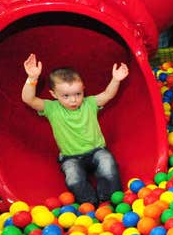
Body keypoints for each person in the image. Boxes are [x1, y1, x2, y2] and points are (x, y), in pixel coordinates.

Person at [21, 53, 128, 205]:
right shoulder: (52, 108)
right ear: (54, 94)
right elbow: (28, 99)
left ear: (84, 89)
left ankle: (109, 200)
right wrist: (32, 79)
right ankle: (89, 203)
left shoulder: (89, 103)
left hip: (97, 150)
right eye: (66, 96)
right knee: (73, 177)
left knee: (108, 163)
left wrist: (116, 79)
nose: (73, 100)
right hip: (71, 157)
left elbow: (108, 95)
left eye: (78, 94)